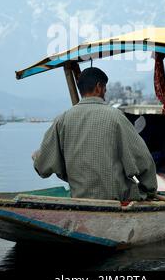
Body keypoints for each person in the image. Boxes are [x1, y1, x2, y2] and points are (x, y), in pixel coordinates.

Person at [32, 67, 157, 201]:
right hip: (115, 201)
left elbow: (41, 167)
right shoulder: (116, 117)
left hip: (79, 200)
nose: (105, 93)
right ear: (98, 87)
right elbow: (144, 161)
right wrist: (149, 191)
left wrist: (35, 157)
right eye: (105, 89)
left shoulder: (62, 119)